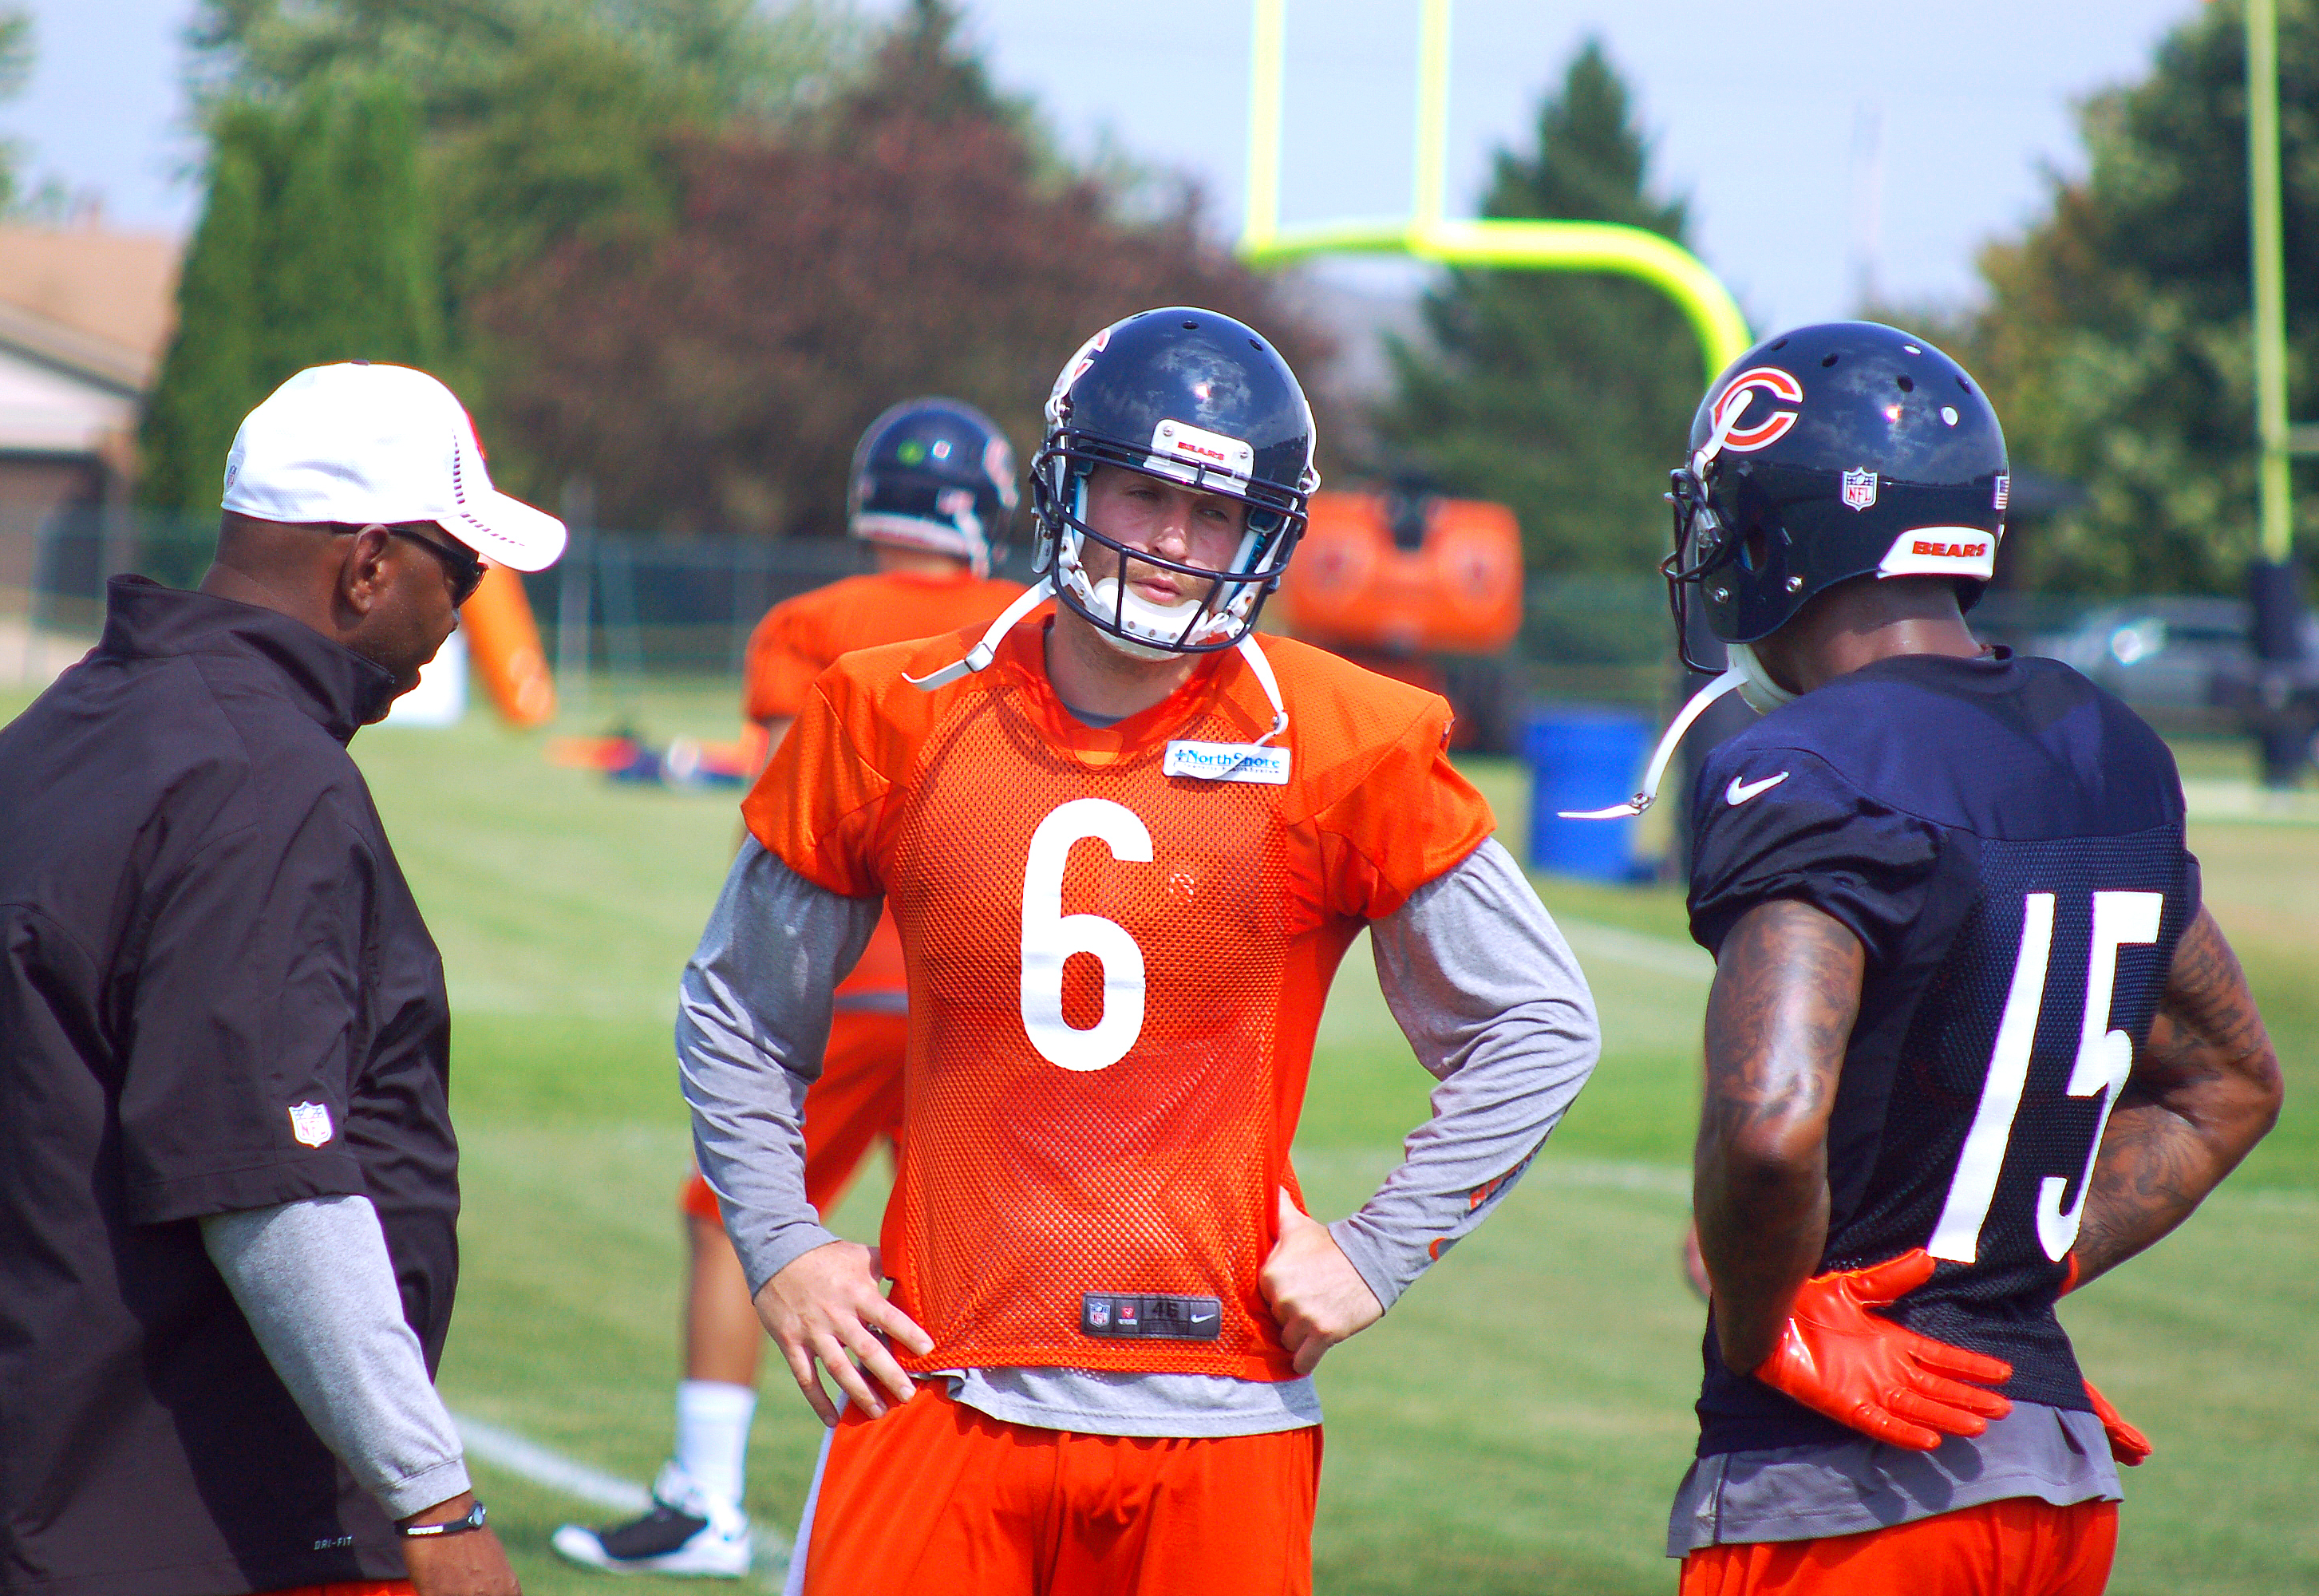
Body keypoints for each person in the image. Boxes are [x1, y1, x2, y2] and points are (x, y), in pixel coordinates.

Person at [676, 306, 1602, 1595]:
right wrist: (780, 1240)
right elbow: (737, 1006)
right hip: (943, 1378)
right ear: (1071, 480)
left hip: (1217, 1401)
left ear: (1263, 531)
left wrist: (1380, 1249)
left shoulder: (1342, 735)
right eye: (1144, 493)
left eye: (1215, 514)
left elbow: (1540, 1022)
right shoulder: (893, 708)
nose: (1174, 544)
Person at [1649, 322, 2282, 1594]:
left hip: (1845, 1485)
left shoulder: (1809, 764)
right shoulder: (2106, 746)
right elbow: (2229, 1083)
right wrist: (1996, 1290)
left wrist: (1769, 1328)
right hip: (2045, 1472)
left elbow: (1772, 1128)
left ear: (1778, 537)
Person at [0, 362, 567, 1596]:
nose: (454, 624)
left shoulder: (42, 740)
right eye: (461, 576)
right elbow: (270, 1184)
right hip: (183, 1522)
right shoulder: (263, 776)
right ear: (367, 567)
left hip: (5, 1494)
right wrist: (434, 1499)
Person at [553, 397, 1032, 1577]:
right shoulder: (1036, 624)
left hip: (851, 981)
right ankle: (996, 1496)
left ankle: (706, 1498)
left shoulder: (813, 623)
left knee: (734, 1217)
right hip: (994, 992)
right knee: (981, 1245)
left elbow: (784, 821)